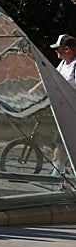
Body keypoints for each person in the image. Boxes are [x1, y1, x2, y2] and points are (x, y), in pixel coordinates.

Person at [48, 34, 76, 175]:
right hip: (65, 110)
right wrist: (34, 89)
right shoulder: (63, 64)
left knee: (61, 141)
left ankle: (57, 173)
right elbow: (52, 77)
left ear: (67, 49)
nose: (56, 51)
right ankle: (57, 172)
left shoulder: (75, 65)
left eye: (57, 49)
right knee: (60, 141)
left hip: (73, 110)